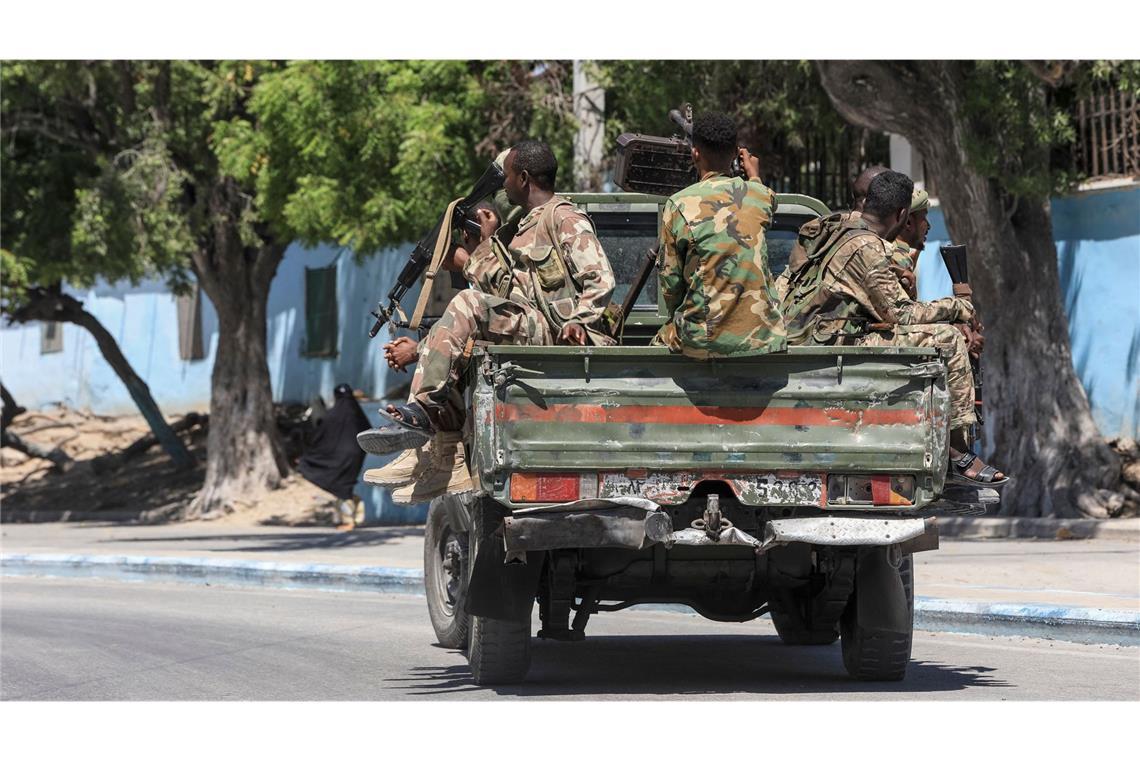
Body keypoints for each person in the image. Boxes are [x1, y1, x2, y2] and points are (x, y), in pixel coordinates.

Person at [357, 138, 616, 454]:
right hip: (530, 325)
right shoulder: (520, 226)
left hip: (557, 332)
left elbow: (600, 279)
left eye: (506, 176)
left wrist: (579, 321)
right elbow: (501, 292)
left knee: (469, 303)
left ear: (523, 178)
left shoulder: (563, 217)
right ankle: (435, 424)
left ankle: (423, 409)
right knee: (458, 350)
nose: (503, 185)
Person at [780, 170, 1008, 486]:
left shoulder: (833, 227)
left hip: (803, 339)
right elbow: (902, 315)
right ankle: (957, 453)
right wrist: (958, 307)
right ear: (902, 215)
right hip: (828, 344)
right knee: (948, 338)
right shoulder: (866, 247)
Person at [652, 111, 786, 358]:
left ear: (695, 154)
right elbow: (767, 197)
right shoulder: (759, 196)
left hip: (702, 342)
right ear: (737, 153)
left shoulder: (678, 204)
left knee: (658, 345)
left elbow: (670, 285)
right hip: (764, 339)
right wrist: (754, 175)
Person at [297, 383, 371, 530]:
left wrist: (308, 454)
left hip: (338, 457)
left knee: (342, 488)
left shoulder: (332, 415)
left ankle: (348, 521)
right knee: (346, 486)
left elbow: (319, 436)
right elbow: (368, 433)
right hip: (356, 455)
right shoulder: (358, 415)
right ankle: (356, 517)